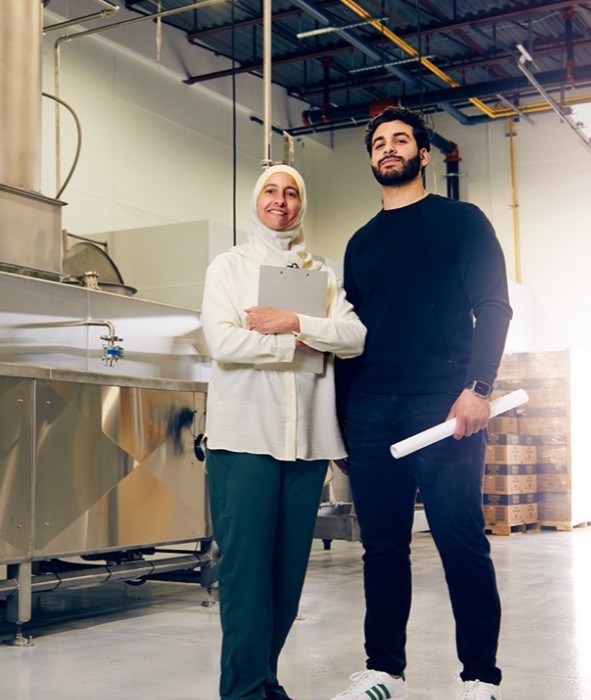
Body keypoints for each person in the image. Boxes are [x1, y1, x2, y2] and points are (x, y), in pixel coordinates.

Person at [330, 107, 513, 700]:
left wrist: (478, 388)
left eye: (400, 140)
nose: (389, 149)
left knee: (460, 540)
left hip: (444, 405)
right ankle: (384, 671)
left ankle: (480, 677)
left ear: (423, 154)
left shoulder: (461, 222)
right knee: (382, 546)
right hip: (371, 407)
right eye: (379, 143)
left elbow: (494, 307)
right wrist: (340, 424)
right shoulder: (360, 243)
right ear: (371, 157)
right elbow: (347, 337)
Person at [201, 164, 366, 700]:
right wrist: (298, 346)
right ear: (256, 201)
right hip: (246, 439)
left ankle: (264, 681)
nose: (281, 200)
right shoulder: (228, 267)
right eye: (271, 191)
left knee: (286, 580)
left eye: (292, 192)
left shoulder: (322, 274)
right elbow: (223, 343)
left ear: (301, 204)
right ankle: (244, 691)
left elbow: (355, 336)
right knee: (247, 578)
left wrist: (292, 322)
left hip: (307, 441)